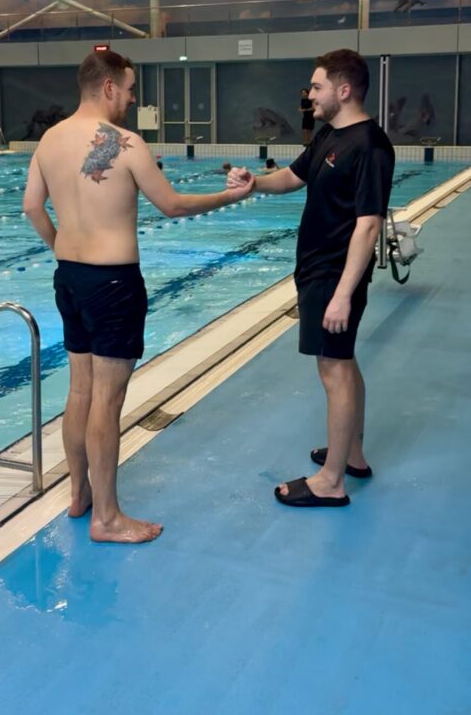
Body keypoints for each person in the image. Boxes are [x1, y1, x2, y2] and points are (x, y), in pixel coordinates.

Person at [23, 50, 254, 544]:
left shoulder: (49, 139)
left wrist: (63, 247)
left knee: (80, 391)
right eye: (129, 90)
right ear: (108, 87)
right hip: (113, 284)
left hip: (70, 278)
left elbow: (32, 208)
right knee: (107, 399)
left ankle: (80, 494)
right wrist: (230, 197)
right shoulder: (124, 143)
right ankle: (107, 518)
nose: (132, 99)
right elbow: (171, 204)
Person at [228, 49, 395, 509]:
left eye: (317, 86)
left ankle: (331, 480)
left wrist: (342, 295)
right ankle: (352, 455)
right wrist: (254, 184)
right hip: (317, 271)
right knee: (343, 362)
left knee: (333, 369)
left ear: (344, 90)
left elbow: (368, 224)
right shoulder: (329, 135)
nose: (310, 95)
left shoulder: (371, 146)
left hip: (334, 277)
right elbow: (293, 176)